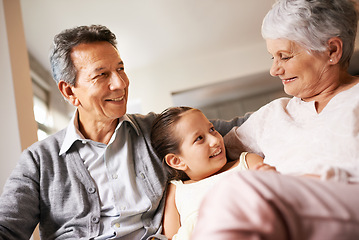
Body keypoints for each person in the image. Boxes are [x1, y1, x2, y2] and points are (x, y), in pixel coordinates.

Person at [0, 25, 249, 240]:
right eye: (102, 74)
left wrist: (288, 95)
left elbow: (241, 129)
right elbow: (7, 228)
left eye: (120, 68)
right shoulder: (38, 161)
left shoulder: (157, 129)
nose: (120, 83)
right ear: (69, 91)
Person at [191, 0, 359, 239]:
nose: (274, 70)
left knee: (241, 191)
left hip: (345, 208)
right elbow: (209, 152)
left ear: (332, 50)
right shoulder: (271, 115)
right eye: (273, 58)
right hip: (280, 224)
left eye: (285, 56)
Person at [150, 106, 276, 240]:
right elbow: (170, 237)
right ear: (176, 161)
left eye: (212, 130)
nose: (216, 140)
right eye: (199, 138)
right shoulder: (176, 191)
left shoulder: (248, 163)